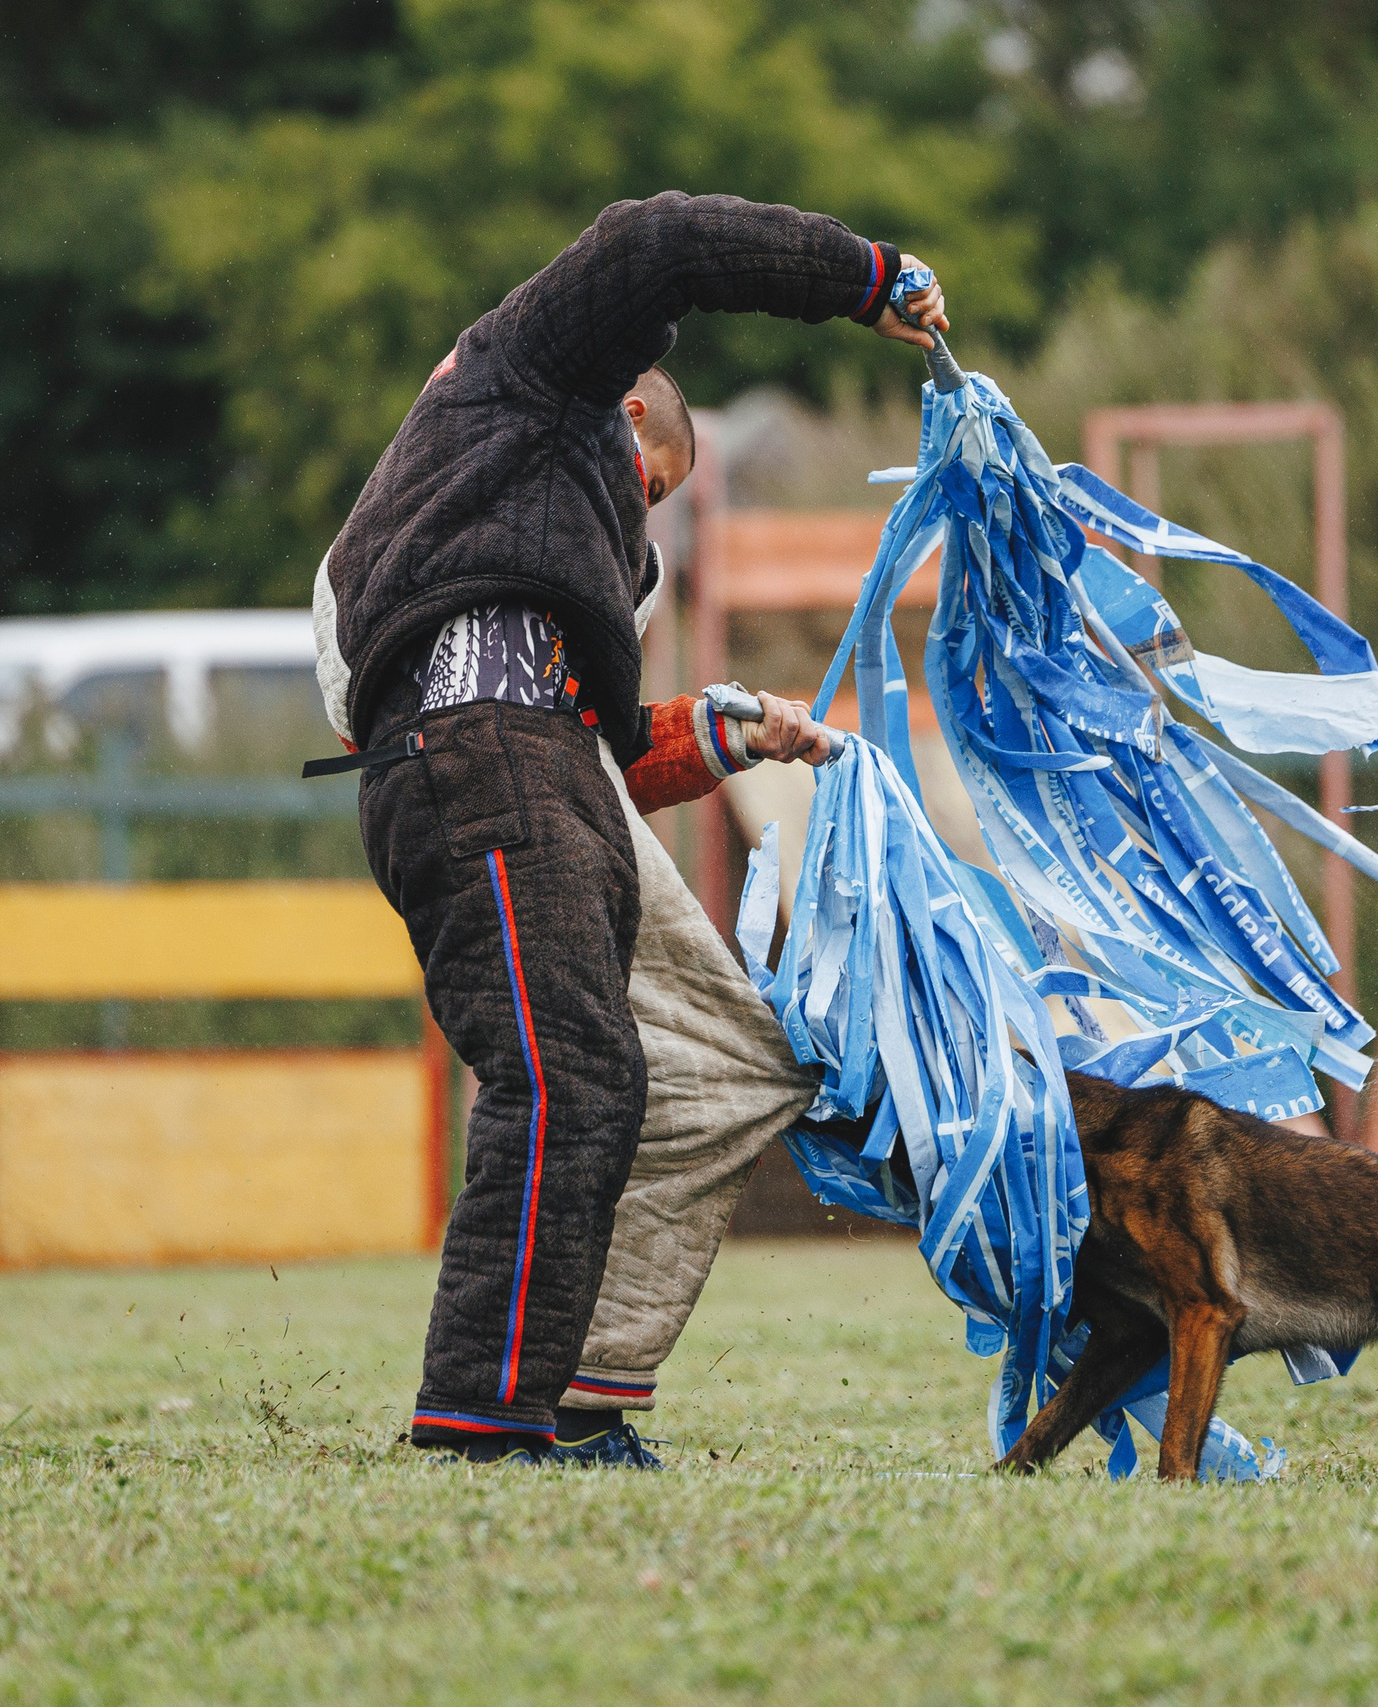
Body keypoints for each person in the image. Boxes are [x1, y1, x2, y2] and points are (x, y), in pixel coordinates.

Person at [312, 191, 948, 1465]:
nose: (641, 534)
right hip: (473, 744)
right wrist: (866, 275)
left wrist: (719, 735)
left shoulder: (530, 524)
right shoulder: (532, 376)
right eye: (648, 492)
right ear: (630, 413)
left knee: (720, 1071)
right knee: (566, 1076)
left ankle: (587, 1398)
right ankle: (481, 1426)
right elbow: (656, 241)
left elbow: (590, 754)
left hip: (531, 756)